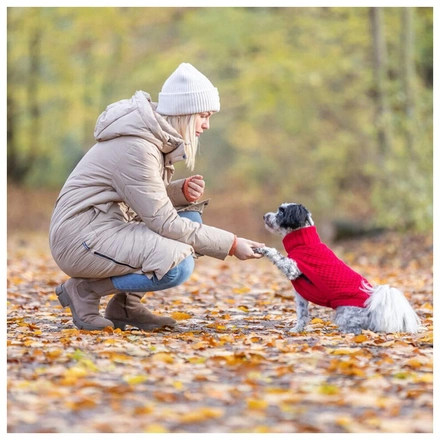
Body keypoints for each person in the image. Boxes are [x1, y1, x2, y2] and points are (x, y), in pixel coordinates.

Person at [49, 62, 265, 332]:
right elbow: (164, 223)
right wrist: (232, 244)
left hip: (100, 228)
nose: (207, 125)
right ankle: (85, 291)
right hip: (80, 239)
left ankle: (126, 306)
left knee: (189, 214)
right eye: (204, 115)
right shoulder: (138, 148)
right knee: (177, 265)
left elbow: (141, 199)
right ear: (185, 112)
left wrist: (178, 193)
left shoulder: (150, 139)